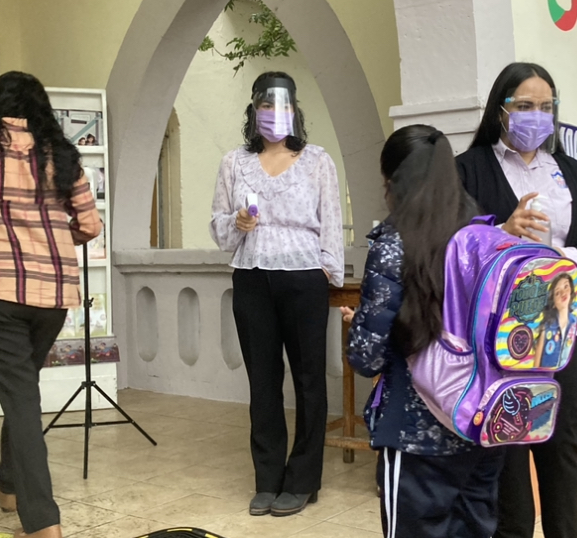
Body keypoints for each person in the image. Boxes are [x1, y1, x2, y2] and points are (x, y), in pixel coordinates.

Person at [456, 62, 577, 538]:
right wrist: (503, 231)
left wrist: (563, 262)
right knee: (508, 441)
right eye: (524, 105)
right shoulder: (468, 168)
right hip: (502, 333)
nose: (536, 116)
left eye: (546, 107)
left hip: (566, 329)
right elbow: (455, 247)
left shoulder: (568, 171)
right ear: (500, 110)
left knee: (562, 440)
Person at [341, 124, 505, 538]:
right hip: (481, 426)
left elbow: (366, 357)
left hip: (416, 438)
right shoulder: (484, 237)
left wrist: (361, 323)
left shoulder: (393, 244)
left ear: (392, 181)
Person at [209, 71, 344, 517]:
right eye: (266, 105)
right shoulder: (234, 162)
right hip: (252, 276)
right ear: (254, 109)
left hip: (304, 276)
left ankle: (303, 479)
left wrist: (328, 272)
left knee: (309, 379)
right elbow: (219, 227)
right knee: (263, 382)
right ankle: (267, 478)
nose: (274, 113)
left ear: (295, 109)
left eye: (282, 104)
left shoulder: (317, 160)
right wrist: (237, 223)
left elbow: (331, 220)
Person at [0, 71, 102, 538]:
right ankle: (7, 484)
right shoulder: (62, 154)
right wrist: (54, 236)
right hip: (54, 296)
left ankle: (42, 525)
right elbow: (90, 226)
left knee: (21, 400)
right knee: (23, 389)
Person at [534, 274, 576, 369]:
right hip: (547, 375)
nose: (563, 293)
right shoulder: (546, 327)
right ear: (553, 303)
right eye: (557, 293)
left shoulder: (575, 323)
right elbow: (536, 364)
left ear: (571, 290)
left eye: (566, 286)